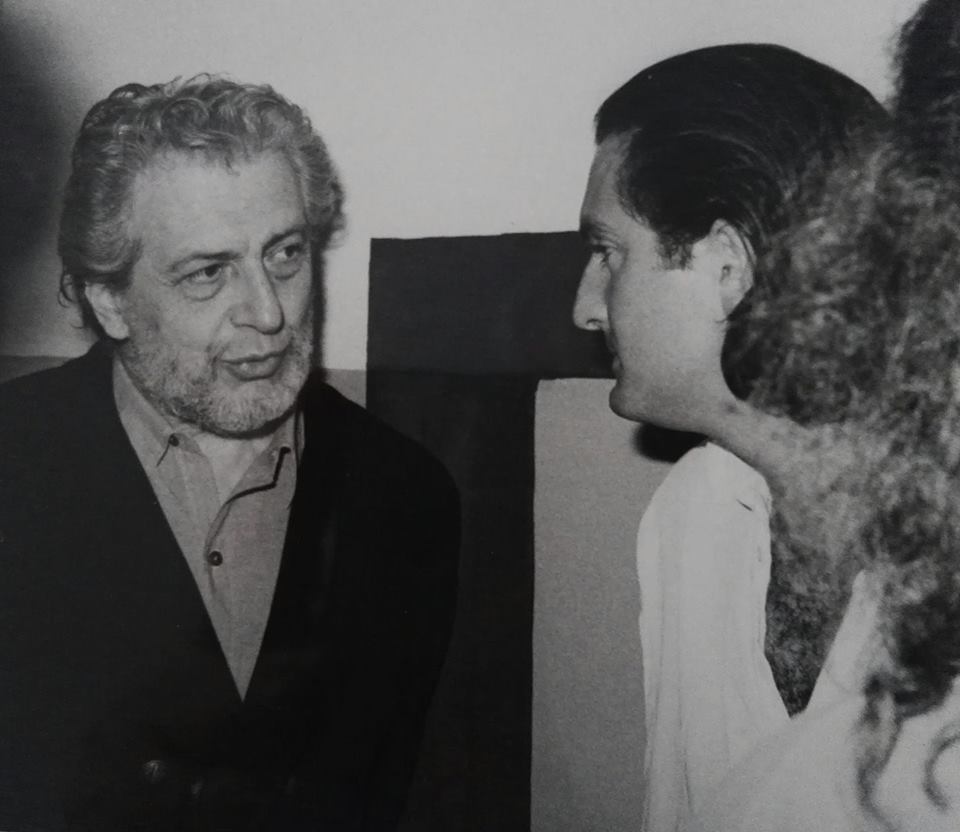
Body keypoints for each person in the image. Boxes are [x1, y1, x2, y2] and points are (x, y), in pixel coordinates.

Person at [0, 76, 460, 832]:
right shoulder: (14, 466)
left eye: (285, 254)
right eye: (208, 272)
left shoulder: (407, 495)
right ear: (110, 300)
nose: (269, 313)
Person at [571, 44, 887, 831]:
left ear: (726, 268)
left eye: (608, 253)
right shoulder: (693, 511)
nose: (585, 308)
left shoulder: (937, 552)